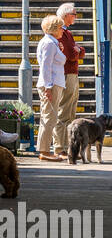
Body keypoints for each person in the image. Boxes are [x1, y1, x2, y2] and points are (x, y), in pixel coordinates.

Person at [52, 2, 86, 160]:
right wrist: (77, 51)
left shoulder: (68, 34)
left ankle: (68, 147)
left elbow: (81, 52)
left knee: (71, 111)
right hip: (66, 74)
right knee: (64, 111)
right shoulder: (62, 34)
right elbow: (71, 55)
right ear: (65, 16)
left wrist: (78, 51)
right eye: (74, 14)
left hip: (71, 74)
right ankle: (60, 147)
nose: (76, 16)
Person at [35, 14, 67, 162]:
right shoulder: (48, 43)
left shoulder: (52, 43)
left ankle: (45, 149)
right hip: (51, 84)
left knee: (50, 117)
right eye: (61, 27)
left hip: (54, 84)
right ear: (54, 28)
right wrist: (48, 87)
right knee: (49, 117)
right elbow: (46, 66)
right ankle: (44, 151)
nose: (63, 30)